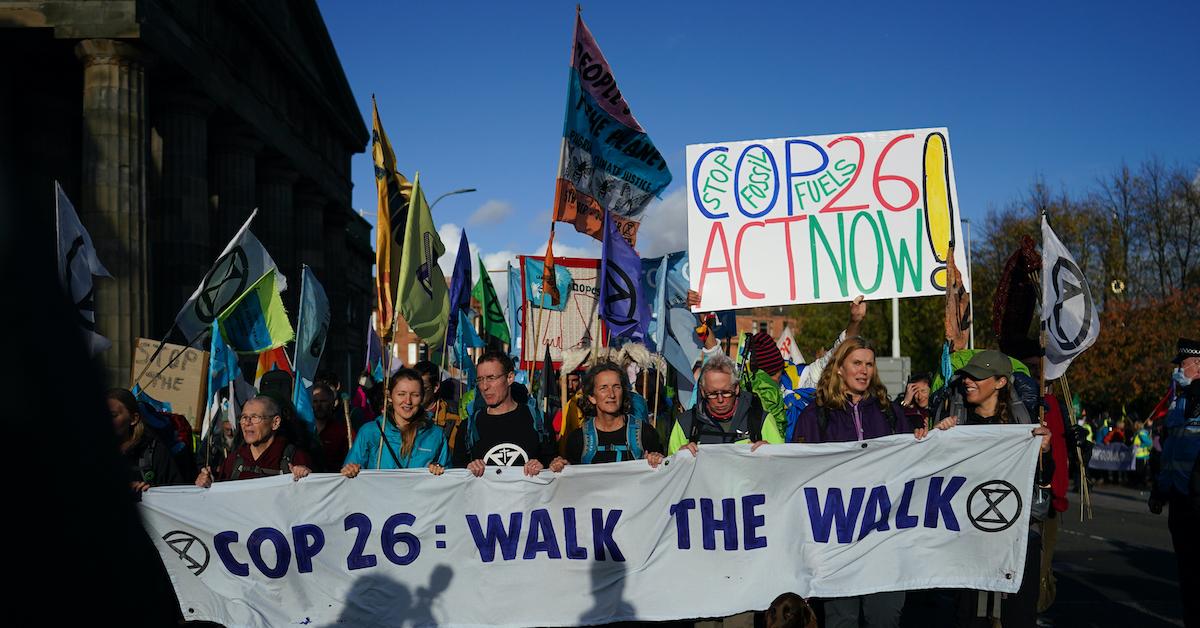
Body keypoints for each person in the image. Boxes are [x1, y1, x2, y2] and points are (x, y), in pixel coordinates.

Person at [918, 350, 1053, 628]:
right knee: (971, 617)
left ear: (1001, 383)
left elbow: (1043, 479)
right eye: (967, 376)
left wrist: (1043, 451)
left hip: (1015, 536)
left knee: (1018, 616)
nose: (968, 382)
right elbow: (934, 479)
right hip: (969, 537)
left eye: (978, 377)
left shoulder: (1023, 426)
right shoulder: (955, 422)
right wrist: (938, 440)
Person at [789, 337, 913, 627]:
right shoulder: (815, 415)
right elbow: (796, 471)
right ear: (840, 368)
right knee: (841, 620)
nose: (864, 370)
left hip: (884, 538)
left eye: (869, 364)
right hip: (837, 539)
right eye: (856, 363)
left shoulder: (890, 413)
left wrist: (931, 438)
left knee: (885, 618)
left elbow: (912, 463)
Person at [1148, 337, 1200, 628]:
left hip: (1197, 501)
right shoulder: (1179, 401)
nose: (1178, 369)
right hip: (1180, 502)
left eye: (1183, 364)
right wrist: (1159, 490)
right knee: (1187, 577)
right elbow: (1170, 453)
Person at [454, 350, 556, 476]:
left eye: (491, 378)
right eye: (480, 379)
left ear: (510, 378)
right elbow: (456, 477)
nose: (484, 386)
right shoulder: (469, 427)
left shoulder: (539, 421)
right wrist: (467, 469)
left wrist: (545, 466)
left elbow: (554, 468)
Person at [551, 361, 665, 470]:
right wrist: (560, 467)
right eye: (603, 388)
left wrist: (657, 461)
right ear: (592, 397)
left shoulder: (645, 434)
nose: (611, 394)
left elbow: (662, 477)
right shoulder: (577, 439)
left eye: (616, 387)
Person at [666, 354, 783, 455]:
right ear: (702, 391)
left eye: (726, 393)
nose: (720, 399)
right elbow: (671, 473)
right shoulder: (685, 423)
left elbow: (783, 465)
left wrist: (771, 453)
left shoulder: (761, 420)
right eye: (712, 394)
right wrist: (678, 458)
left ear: (736, 388)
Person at [341, 368, 449, 476]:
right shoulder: (369, 431)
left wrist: (439, 470)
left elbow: (449, 479)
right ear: (390, 396)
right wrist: (351, 469)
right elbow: (350, 475)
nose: (408, 401)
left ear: (421, 397)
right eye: (401, 394)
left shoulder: (436, 434)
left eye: (415, 395)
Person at [195, 395, 312, 486]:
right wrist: (207, 483)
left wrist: (306, 477)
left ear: (275, 423)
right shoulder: (233, 460)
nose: (247, 423)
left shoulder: (294, 458)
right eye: (244, 417)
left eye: (255, 417)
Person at [108, 388, 184, 492]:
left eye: (113, 415)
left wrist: (149, 492)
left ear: (134, 419)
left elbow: (176, 494)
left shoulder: (155, 452)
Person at [414, 360, 461, 453]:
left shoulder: (453, 415)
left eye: (423, 388)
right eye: (413, 387)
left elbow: (454, 453)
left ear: (435, 387)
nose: (417, 393)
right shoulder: (404, 412)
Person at [313, 382, 350, 472]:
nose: (319, 405)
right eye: (315, 401)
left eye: (323, 401)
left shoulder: (343, 431)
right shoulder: (304, 430)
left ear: (332, 403)